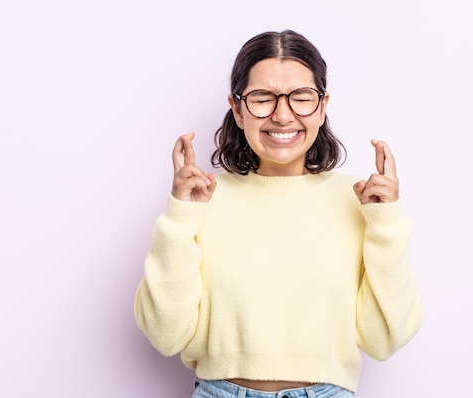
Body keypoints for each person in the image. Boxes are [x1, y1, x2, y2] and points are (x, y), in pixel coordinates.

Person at [134, 30, 422, 398]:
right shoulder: (203, 199)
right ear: (237, 110)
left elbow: (384, 339)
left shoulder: (359, 200)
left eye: (301, 98)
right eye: (262, 99)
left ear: (322, 106)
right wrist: (179, 219)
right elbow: (165, 334)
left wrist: (387, 225)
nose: (283, 116)